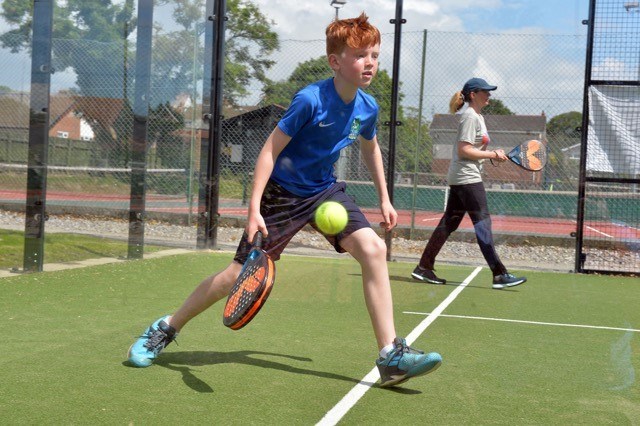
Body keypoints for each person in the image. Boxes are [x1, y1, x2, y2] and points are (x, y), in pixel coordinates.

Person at [128, 13, 442, 388]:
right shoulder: (310, 101)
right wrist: (253, 209)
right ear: (335, 61)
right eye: (360, 55)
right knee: (233, 277)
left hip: (324, 191)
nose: (370, 62)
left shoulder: (367, 107)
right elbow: (268, 152)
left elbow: (371, 148)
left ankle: (391, 355)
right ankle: (165, 327)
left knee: (373, 249)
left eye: (374, 54)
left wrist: (385, 199)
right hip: (281, 196)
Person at [411, 77, 527, 290]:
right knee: (483, 223)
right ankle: (499, 274)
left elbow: (472, 149)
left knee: (449, 223)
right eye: (486, 91)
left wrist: (490, 155)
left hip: (465, 176)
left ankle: (424, 267)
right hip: (467, 178)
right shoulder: (469, 117)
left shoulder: (477, 116)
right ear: (473, 94)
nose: (489, 95)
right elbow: (463, 150)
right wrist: (492, 153)